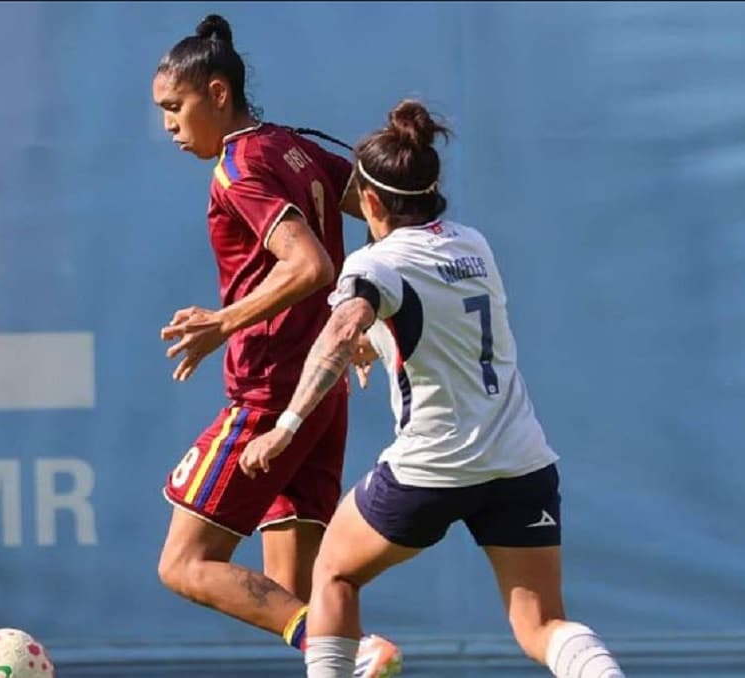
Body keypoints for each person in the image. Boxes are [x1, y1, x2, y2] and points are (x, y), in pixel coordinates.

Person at [239, 100, 627, 678]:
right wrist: (379, 338)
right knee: (542, 625)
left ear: (368, 202)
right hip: (520, 464)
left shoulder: (376, 263)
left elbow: (342, 327)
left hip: (433, 467)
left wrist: (287, 426)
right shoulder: (473, 244)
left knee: (333, 575)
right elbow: (428, 316)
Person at [150, 13, 402, 678]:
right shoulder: (292, 147)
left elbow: (309, 266)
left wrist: (222, 323)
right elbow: (382, 209)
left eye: (176, 107)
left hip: (268, 395)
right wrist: (374, 315)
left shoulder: (238, 169)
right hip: (320, 395)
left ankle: (355, 648)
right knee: (289, 584)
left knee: (184, 563)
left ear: (218, 93)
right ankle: (343, 656)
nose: (170, 126)